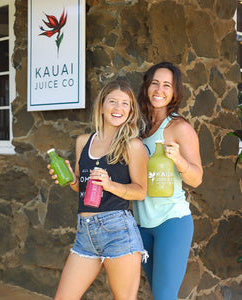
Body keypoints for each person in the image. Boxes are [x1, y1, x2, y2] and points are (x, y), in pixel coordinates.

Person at [48, 80, 149, 300]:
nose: (118, 108)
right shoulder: (84, 141)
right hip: (85, 233)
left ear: (131, 111)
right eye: (113, 101)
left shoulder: (133, 145)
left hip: (118, 231)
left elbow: (140, 191)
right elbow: (81, 188)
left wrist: (111, 185)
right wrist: (70, 179)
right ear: (102, 105)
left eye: (125, 104)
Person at [132, 61, 203, 300]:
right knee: (160, 294)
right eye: (155, 83)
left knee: (164, 297)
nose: (159, 90)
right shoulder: (139, 128)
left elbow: (197, 178)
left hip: (171, 222)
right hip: (142, 225)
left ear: (174, 92)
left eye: (166, 85)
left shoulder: (179, 127)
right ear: (147, 87)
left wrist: (180, 161)